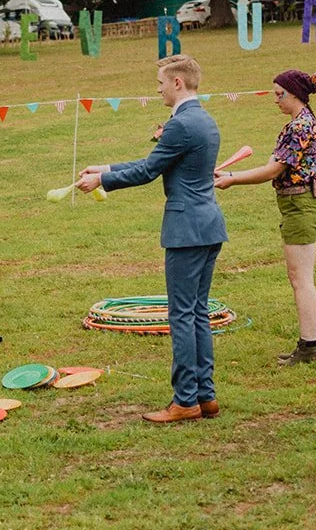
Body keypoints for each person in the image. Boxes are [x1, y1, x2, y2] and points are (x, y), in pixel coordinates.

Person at [77, 54, 227, 422]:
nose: (157, 89)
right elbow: (156, 161)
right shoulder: (204, 120)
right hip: (209, 225)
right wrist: (108, 167)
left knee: (182, 316)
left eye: (160, 82)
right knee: (197, 315)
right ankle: (205, 397)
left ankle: (185, 401)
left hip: (186, 230)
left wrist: (101, 181)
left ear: (177, 83)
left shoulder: (181, 124)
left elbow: (147, 172)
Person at [214, 69, 316, 366]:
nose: (276, 100)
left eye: (280, 94)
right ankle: (307, 344)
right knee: (298, 277)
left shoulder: (300, 126)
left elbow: (273, 171)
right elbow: (272, 164)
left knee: (301, 278)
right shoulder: (295, 124)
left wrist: (233, 179)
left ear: (296, 95)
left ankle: (310, 347)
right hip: (295, 204)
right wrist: (230, 173)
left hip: (301, 205)